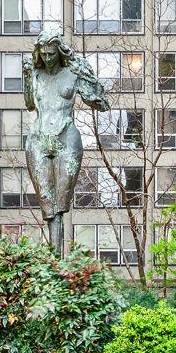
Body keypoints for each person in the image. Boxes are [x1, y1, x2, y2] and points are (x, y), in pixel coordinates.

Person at [21, 26, 111, 252]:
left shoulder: (72, 72)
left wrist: (87, 75)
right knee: (46, 201)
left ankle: (57, 260)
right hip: (38, 138)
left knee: (61, 201)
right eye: (44, 54)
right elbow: (30, 104)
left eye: (52, 53)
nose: (48, 58)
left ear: (60, 51)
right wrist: (26, 77)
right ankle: (53, 261)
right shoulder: (36, 74)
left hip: (67, 137)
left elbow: (100, 102)